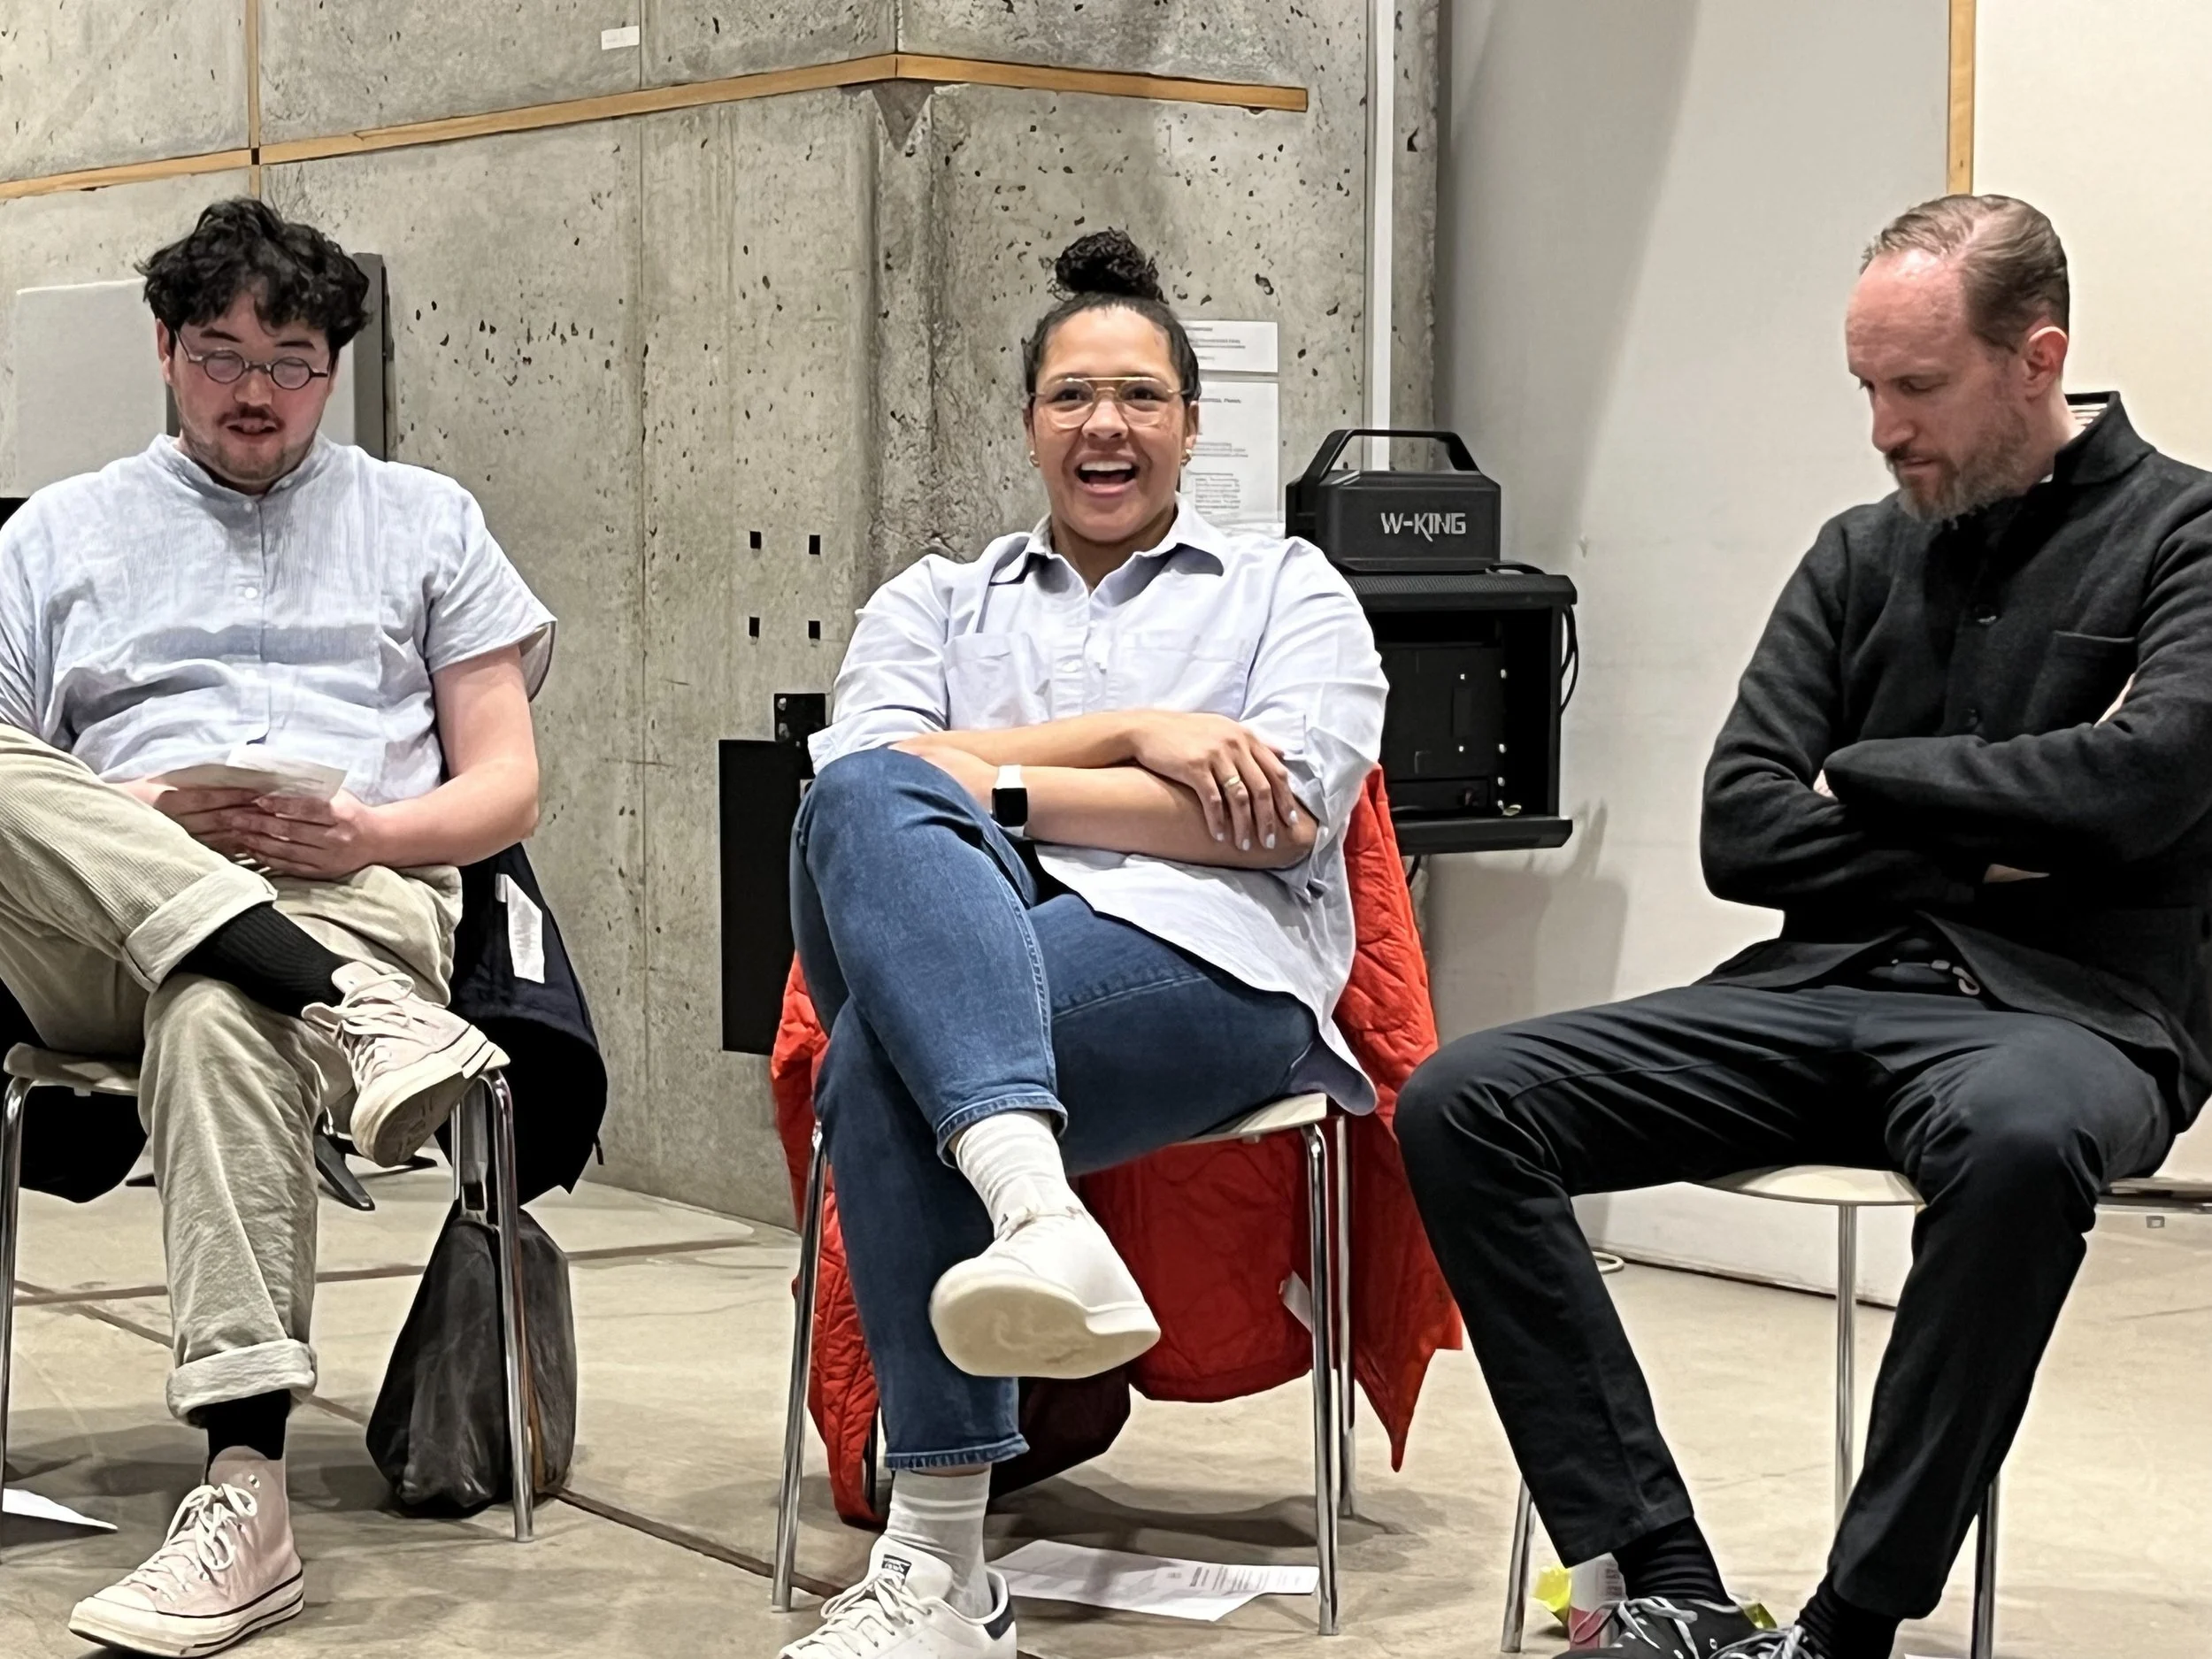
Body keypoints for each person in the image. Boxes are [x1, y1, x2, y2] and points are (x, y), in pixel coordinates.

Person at [1396, 192, 2212, 1659]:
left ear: (2039, 359)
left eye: (1917, 388)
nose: (1885, 430)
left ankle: (1846, 1630)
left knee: (2022, 1144)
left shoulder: (2190, 535)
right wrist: (2007, 835)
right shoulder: (1857, 552)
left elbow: (2142, 789)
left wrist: (1877, 776)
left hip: (2069, 1011)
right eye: (1865, 389)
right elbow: (1740, 825)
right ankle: (1666, 1583)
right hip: (1817, 986)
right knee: (1466, 1098)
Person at [780, 228, 1387, 1659]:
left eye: (1139, 397)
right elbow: (857, 783)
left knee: (881, 1057)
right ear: (1030, 424)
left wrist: (986, 785)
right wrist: (1139, 740)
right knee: (862, 795)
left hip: (1215, 973)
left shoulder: (1285, 588)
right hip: (976, 949)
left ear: (1186, 423)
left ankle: (941, 1571)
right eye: (1071, 397)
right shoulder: (934, 598)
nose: (1104, 425)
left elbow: (1284, 819)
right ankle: (1040, 1210)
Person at [0, 197, 555, 1655]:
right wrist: (133, 817)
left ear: (338, 366)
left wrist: (369, 828)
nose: (254, 391)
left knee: (218, 995)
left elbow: (507, 787)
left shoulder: (428, 521)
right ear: (165, 350)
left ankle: (243, 1488)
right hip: (98, 929)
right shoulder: (56, 531)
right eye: (219, 353)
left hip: (355, 890)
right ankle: (335, 1005)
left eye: (292, 359)